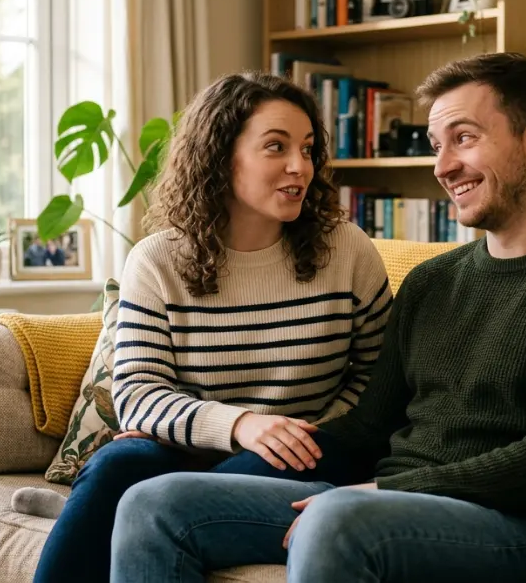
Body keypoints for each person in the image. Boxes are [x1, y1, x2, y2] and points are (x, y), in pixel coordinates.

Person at [109, 52, 526, 583]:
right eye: (436, 145)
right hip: (382, 497)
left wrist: (379, 490)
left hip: (512, 525)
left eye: (465, 139)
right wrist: (235, 457)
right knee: (154, 502)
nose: (444, 166)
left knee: (335, 520)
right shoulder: (433, 281)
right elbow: (368, 425)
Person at [24, 71, 392, 583]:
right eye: (275, 147)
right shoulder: (157, 261)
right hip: (193, 445)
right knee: (116, 467)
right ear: (222, 156)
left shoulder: (347, 249)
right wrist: (238, 426)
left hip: (312, 448)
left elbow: (381, 379)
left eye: (307, 149)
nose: (299, 166)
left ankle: (104, 514)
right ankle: (112, 510)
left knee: (177, 482)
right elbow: (136, 391)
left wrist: (307, 429)